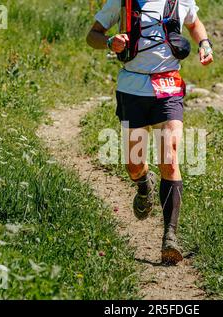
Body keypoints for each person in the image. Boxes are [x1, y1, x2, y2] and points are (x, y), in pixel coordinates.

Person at [86, 0, 213, 265]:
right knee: (133, 165)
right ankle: (144, 185)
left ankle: (170, 237)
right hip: (132, 88)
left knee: (169, 156)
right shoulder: (122, 2)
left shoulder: (180, 1)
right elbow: (92, 36)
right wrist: (110, 43)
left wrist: (204, 44)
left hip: (169, 87)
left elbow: (194, 23)